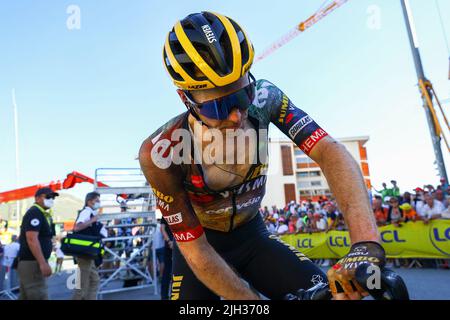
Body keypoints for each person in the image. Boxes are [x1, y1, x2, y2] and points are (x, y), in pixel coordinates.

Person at [139, 11, 386, 300]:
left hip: (254, 237)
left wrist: (365, 243)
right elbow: (196, 251)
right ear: (186, 98)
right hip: (202, 248)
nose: (235, 115)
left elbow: (329, 152)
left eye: (243, 96)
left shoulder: (266, 98)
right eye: (218, 107)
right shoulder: (161, 152)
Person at [17, 187, 58, 300]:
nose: (51, 199)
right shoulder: (35, 213)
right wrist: (42, 263)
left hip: (31, 262)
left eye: (53, 197)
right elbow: (32, 239)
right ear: (38, 198)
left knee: (26, 296)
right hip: (32, 262)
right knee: (39, 295)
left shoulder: (41, 214)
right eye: (48, 197)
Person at [72, 192, 107, 300]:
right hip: (85, 252)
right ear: (89, 201)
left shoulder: (91, 213)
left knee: (94, 280)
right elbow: (76, 228)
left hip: (89, 252)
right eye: (97, 200)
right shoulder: (86, 212)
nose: (98, 203)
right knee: (82, 283)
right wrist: (93, 220)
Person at [160, 217, 174, 300]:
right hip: (171, 245)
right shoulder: (166, 212)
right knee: (168, 272)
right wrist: (169, 242)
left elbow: (162, 229)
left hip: (177, 244)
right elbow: (162, 229)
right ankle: (165, 296)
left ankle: (166, 296)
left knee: (169, 272)